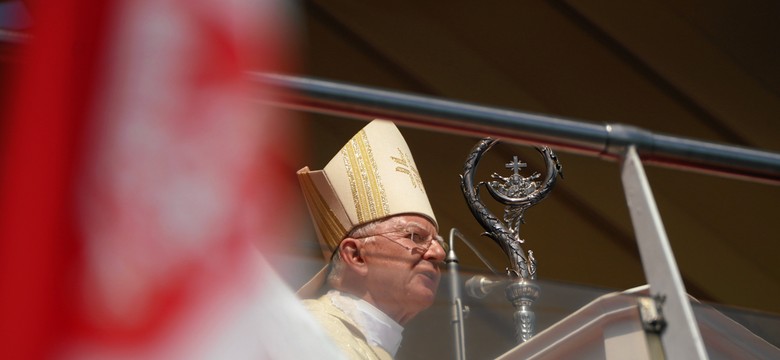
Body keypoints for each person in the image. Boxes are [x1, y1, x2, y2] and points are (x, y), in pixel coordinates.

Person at [297, 119, 446, 359]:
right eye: (416, 237)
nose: (438, 253)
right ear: (356, 256)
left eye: (438, 242)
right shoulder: (306, 330)